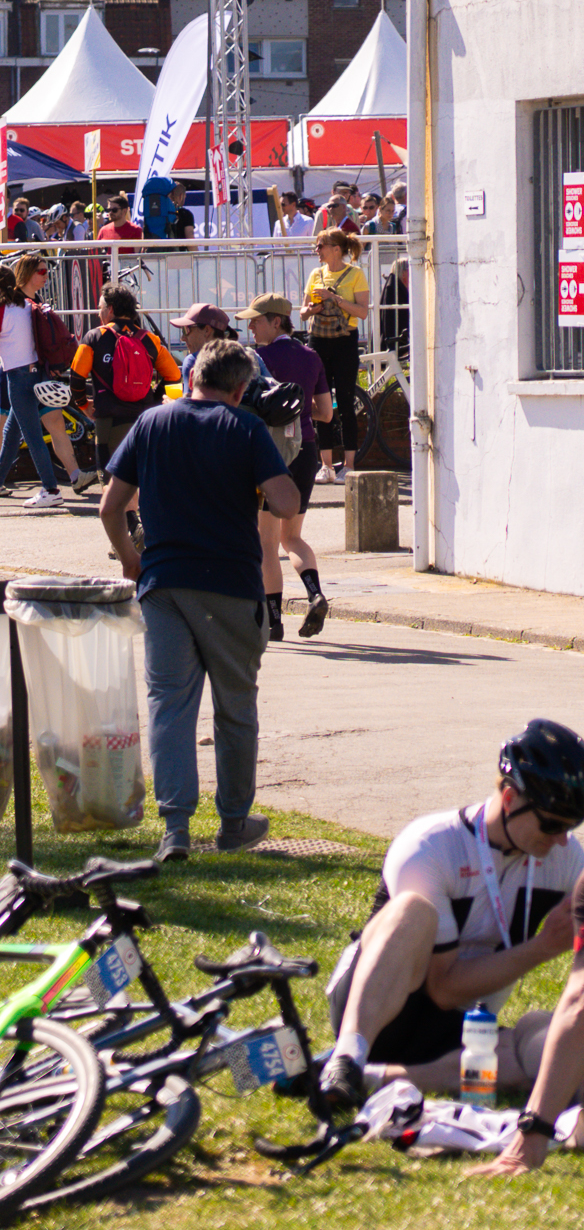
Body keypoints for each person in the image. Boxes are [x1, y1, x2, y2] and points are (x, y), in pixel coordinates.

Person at [307, 723, 584, 1133]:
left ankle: (368, 1079)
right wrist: (543, 947)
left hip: (465, 1029)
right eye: (552, 825)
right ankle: (348, 1056)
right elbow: (443, 987)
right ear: (509, 799)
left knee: (540, 1037)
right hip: (381, 1008)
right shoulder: (431, 843)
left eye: (571, 826)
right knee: (412, 911)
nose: (562, 840)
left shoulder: (564, 859)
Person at [98, 339, 304, 861]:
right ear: (241, 390)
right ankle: (233, 823)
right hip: (230, 586)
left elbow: (110, 507)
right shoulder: (246, 428)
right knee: (235, 709)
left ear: (193, 378)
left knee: (168, 705)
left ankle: (175, 830)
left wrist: (129, 558)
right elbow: (286, 501)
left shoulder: (151, 423)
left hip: (163, 583)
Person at [244, 293, 334, 642]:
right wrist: (296, 408)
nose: (250, 326)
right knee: (291, 537)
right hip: (307, 451)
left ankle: (273, 620)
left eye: (256, 320)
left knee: (266, 542)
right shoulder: (311, 357)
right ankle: (314, 593)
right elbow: (326, 413)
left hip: (272, 454)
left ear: (276, 321)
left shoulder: (256, 359)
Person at [70, 285, 179, 547]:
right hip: (144, 419)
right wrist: (153, 399)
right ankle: (139, 532)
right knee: (140, 476)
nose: (98, 313)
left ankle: (129, 532)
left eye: (100, 307)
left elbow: (76, 378)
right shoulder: (149, 339)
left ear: (110, 310)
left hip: (109, 420)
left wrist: (84, 404)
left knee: (111, 481)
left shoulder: (94, 338)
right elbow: (174, 375)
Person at [0, 262, 68, 511]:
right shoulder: (26, 306)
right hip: (35, 374)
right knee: (11, 434)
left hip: (17, 378)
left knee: (32, 437)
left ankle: (51, 490)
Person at [305, 227, 372, 480]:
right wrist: (314, 308)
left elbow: (363, 312)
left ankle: (350, 465)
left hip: (344, 341)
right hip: (319, 340)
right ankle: (326, 465)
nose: (317, 251)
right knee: (321, 403)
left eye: (321, 246)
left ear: (336, 249)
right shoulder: (315, 274)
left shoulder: (355, 274)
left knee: (345, 402)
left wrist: (335, 299)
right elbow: (302, 313)